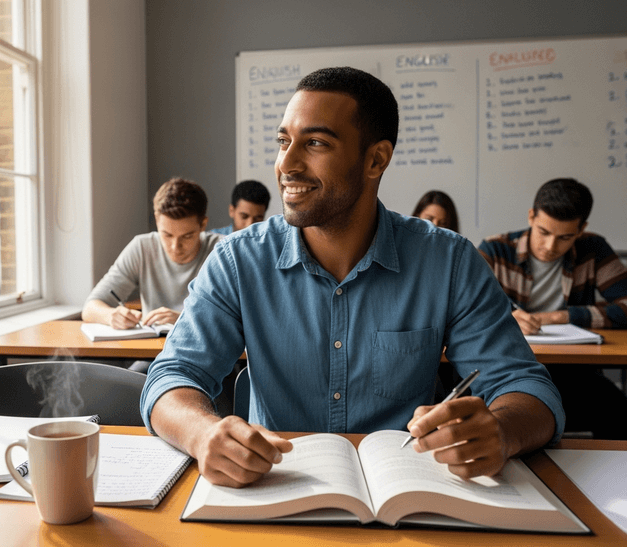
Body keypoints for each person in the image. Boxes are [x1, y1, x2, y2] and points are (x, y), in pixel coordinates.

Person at [141, 66, 563, 488]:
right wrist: (202, 434)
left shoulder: (448, 261)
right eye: (283, 142)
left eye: (316, 143)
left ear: (376, 159)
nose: (286, 164)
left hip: (408, 494)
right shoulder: (238, 261)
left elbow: (525, 387)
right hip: (273, 490)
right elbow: (171, 377)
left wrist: (501, 433)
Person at [478, 178, 627, 438]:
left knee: (618, 411)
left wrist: (563, 317)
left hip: (572, 370)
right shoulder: (495, 249)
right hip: (506, 367)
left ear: (581, 230)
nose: (550, 247)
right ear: (531, 216)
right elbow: (461, 307)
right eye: (543, 232)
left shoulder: (593, 249)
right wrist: (506, 316)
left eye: (565, 237)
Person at [82, 178, 222, 329]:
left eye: (187, 236)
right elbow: (90, 308)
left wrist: (185, 319)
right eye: (167, 235)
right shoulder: (142, 248)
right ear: (157, 220)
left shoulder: (223, 252)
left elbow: (242, 319)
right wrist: (111, 316)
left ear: (203, 224)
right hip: (151, 349)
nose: (175, 247)